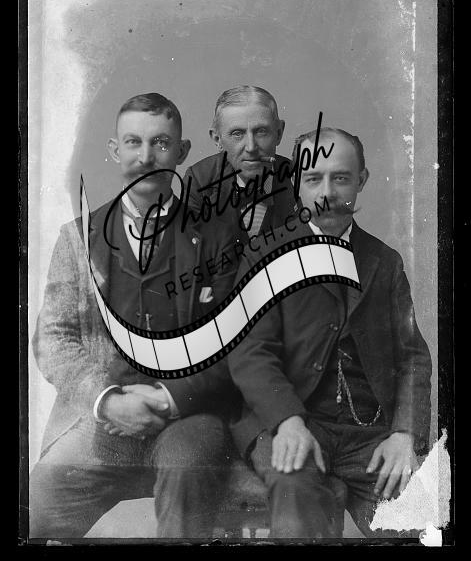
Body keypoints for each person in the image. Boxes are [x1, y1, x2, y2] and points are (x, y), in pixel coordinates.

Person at [30, 93, 239, 540]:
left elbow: (235, 340)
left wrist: (168, 398)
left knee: (188, 471)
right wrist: (107, 399)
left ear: (182, 152)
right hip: (103, 418)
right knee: (39, 499)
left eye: (161, 143)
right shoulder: (79, 236)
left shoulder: (219, 235)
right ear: (114, 150)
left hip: (190, 417)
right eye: (133, 142)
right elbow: (53, 339)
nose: (146, 157)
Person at [227, 127, 432, 538]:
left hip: (369, 436)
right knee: (295, 489)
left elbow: (412, 356)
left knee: (417, 521)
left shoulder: (384, 261)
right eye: (313, 179)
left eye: (340, 178)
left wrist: (404, 433)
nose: (328, 192)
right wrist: (287, 421)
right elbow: (251, 352)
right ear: (295, 184)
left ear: (361, 181)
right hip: (287, 421)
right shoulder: (264, 255)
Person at [183, 86, 298, 246]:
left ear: (278, 133)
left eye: (261, 131)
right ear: (217, 139)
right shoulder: (200, 180)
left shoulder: (300, 178)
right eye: (237, 134)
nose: (251, 147)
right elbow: (191, 252)